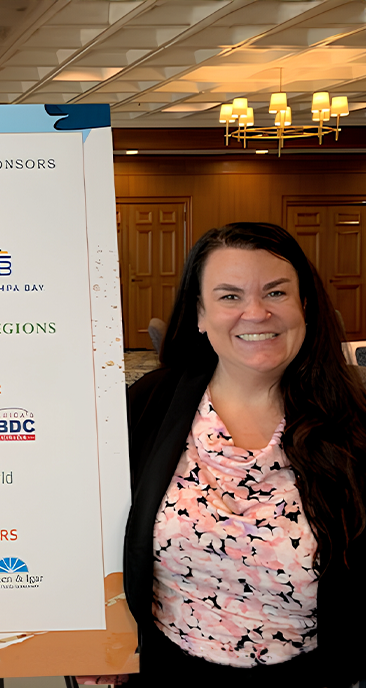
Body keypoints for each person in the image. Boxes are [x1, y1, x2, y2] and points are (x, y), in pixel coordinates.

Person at [119, 222, 366, 687]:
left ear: (304, 305)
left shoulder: (354, 425)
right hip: (167, 672)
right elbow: (104, 530)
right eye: (229, 296)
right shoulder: (151, 402)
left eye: (276, 293)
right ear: (200, 313)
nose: (255, 313)